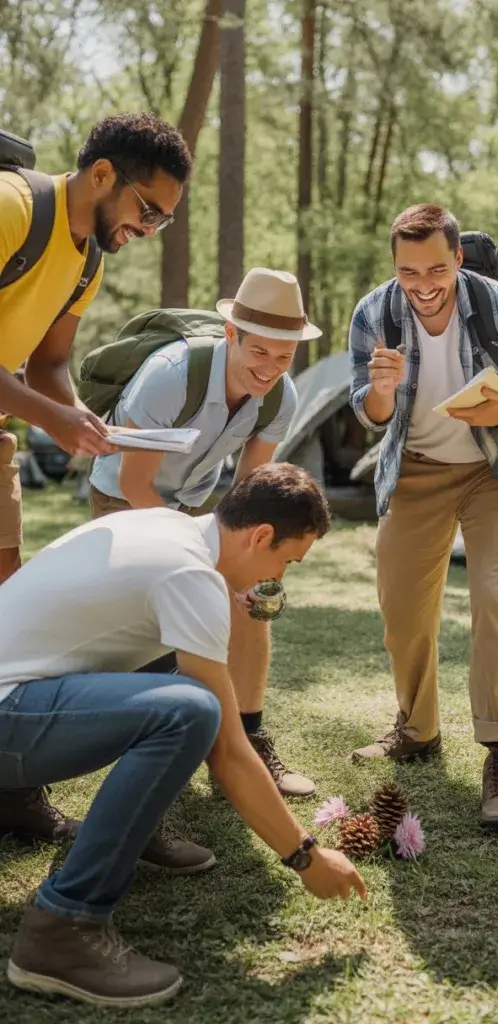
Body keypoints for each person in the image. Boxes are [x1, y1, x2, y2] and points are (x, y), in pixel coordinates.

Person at [0, 463, 367, 1009]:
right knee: (191, 711)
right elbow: (226, 750)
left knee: (188, 668)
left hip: (16, 697)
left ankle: (128, 825)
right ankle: (63, 929)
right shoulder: (189, 575)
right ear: (261, 536)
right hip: (8, 716)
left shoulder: (166, 528)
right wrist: (305, 857)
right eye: (287, 561)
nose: (280, 579)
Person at [0, 112, 192, 844]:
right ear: (103, 175)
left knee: (8, 625)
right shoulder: (14, 206)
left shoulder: (87, 257)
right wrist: (49, 419)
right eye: (148, 210)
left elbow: (48, 361)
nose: (149, 229)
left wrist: (81, 417)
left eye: (165, 222)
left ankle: (11, 793)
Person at [348, 204, 498, 828]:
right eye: (409, 271)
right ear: (395, 267)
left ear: (458, 258)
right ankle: (417, 730)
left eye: (436, 268)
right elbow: (368, 413)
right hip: (415, 468)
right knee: (402, 605)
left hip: (495, 466)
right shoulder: (374, 313)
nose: (423, 285)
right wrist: (381, 391)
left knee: (495, 596)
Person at [87, 268, 319, 800]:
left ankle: (248, 741)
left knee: (251, 601)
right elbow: (134, 481)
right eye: (259, 352)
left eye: (283, 357)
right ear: (232, 334)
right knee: (151, 620)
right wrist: (199, 561)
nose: (270, 369)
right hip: (126, 499)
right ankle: (146, 756)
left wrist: (246, 568)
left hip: (196, 498)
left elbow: (251, 491)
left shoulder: (280, 397)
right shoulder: (170, 374)